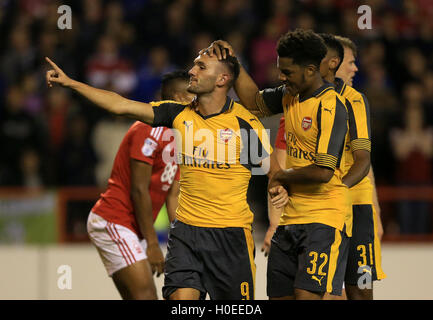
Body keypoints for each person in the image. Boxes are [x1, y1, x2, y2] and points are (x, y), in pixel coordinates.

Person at [45, 52, 289, 300]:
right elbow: (120, 104)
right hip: (186, 235)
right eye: (194, 65)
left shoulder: (244, 123)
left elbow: (275, 173)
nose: (192, 71)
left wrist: (277, 194)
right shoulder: (177, 114)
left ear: (222, 79)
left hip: (231, 237)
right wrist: (71, 83)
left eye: (201, 67)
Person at [205, 29, 350, 300]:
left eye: (287, 72)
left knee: (307, 296)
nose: (282, 77)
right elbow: (252, 101)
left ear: (310, 70)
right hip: (289, 219)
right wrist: (234, 62)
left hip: (323, 219)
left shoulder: (331, 107)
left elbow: (323, 171)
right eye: (280, 70)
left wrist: (281, 177)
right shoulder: (289, 95)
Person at [86, 70, 193, 300]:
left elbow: (173, 195)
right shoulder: (147, 128)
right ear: (179, 98)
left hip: (131, 228)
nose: (199, 101)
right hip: (113, 220)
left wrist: (184, 240)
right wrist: (153, 244)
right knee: (145, 295)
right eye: (193, 95)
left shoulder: (181, 135)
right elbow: (138, 189)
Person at [334, 35, 387, 299]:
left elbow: (365, 161)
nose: (356, 68)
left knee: (363, 286)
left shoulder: (356, 100)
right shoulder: (305, 100)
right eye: (350, 62)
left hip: (359, 206)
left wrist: (375, 210)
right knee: (327, 290)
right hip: (325, 207)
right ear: (331, 62)